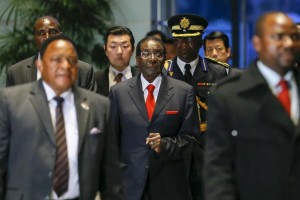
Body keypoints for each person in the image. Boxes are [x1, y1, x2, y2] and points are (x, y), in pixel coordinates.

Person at [0, 35, 122, 200]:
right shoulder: (10, 102)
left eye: (71, 60)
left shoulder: (99, 106)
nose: (65, 66)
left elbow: (110, 177)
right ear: (40, 65)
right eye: (56, 60)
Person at [204, 12, 300, 200]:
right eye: (278, 37)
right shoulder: (230, 95)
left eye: (294, 37)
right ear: (257, 43)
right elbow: (218, 172)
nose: (288, 43)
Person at [109, 36, 200, 200]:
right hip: (130, 183)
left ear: (165, 59)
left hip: (169, 183)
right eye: (146, 53)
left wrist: (165, 145)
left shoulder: (183, 92)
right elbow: (112, 140)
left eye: (158, 54)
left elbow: (191, 139)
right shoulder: (118, 92)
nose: (152, 59)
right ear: (137, 59)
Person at [164, 14, 227, 133]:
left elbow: (225, 112)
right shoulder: (162, 72)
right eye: (178, 39)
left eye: (189, 39)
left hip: (207, 142)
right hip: (174, 143)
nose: (183, 44)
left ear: (200, 43)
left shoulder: (218, 72)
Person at [6, 16, 96, 91]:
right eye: (41, 33)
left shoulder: (84, 70)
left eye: (53, 32)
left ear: (61, 36)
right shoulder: (16, 72)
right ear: (34, 38)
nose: (47, 37)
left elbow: (93, 108)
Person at [95, 26, 140, 96]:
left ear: (133, 50)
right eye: (113, 46)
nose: (119, 52)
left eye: (124, 46)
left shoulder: (143, 78)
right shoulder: (94, 80)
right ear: (105, 50)